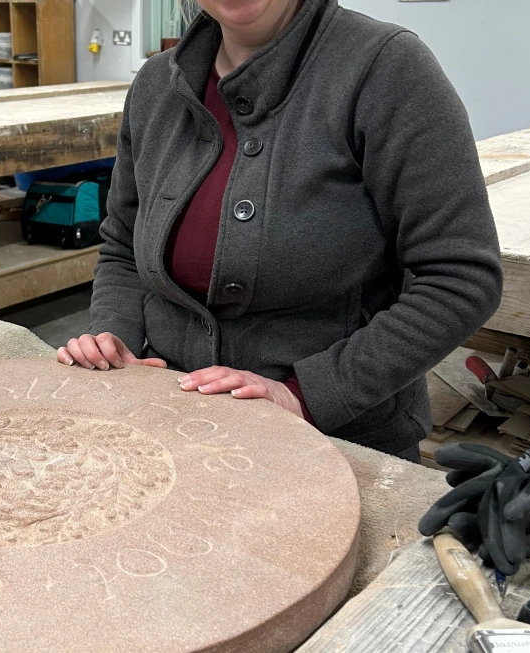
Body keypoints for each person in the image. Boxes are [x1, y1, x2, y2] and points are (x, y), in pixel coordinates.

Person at [56, 0, 503, 462]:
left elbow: (460, 278)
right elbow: (123, 244)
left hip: (338, 442)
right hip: (169, 421)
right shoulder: (156, 83)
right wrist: (113, 339)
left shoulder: (386, 68)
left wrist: (303, 395)